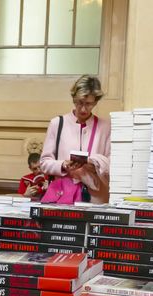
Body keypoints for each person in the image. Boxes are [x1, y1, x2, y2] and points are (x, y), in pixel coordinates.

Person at [40, 75, 110, 204]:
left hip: (94, 198)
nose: (83, 109)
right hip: (63, 195)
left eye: (88, 104)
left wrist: (93, 162)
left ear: (95, 101)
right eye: (80, 102)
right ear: (73, 99)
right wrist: (63, 165)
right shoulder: (57, 123)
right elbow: (44, 163)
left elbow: (112, 164)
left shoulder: (105, 126)